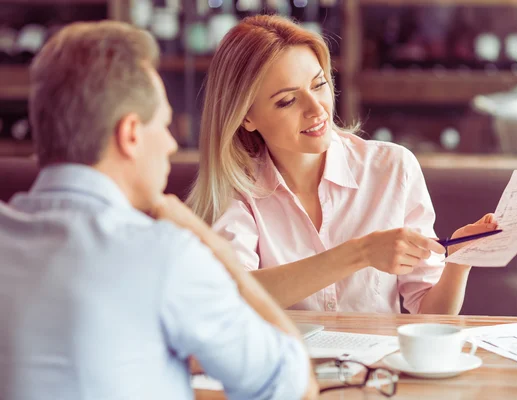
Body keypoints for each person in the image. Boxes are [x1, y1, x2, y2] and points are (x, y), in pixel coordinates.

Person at [0, 20, 318, 400]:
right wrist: (217, 253)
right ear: (130, 134)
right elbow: (294, 386)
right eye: (164, 125)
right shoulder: (166, 254)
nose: (169, 144)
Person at [187, 15, 498, 315]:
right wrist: (360, 253)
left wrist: (459, 261)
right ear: (246, 117)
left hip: (375, 367)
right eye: (287, 101)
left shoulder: (392, 168)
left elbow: (430, 313)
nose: (316, 109)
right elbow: (231, 296)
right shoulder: (237, 186)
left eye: (319, 84)